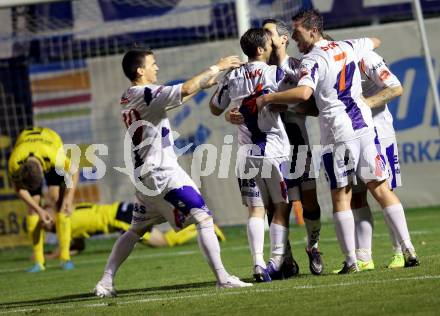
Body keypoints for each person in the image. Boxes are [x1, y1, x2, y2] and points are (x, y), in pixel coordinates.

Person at [256, 9, 419, 273]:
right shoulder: (349, 46)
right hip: (364, 126)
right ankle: (409, 248)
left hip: (337, 133)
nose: (296, 38)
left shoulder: (311, 60)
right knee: (380, 188)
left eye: (297, 32)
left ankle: (352, 261)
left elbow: (305, 91)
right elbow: (374, 41)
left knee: (340, 197)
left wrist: (269, 99)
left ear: (312, 30)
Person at [94, 48, 251, 298]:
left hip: (146, 177)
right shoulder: (145, 93)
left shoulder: (129, 95)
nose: (156, 68)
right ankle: (223, 278)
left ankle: (105, 281)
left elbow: (180, 96)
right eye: (152, 64)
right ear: (140, 70)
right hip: (162, 173)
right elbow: (184, 90)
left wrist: (202, 85)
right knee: (204, 219)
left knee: (135, 230)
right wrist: (216, 67)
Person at [209, 28, 293, 282]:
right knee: (280, 206)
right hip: (274, 150)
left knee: (256, 210)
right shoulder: (275, 72)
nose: (272, 48)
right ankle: (275, 260)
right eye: (269, 44)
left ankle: (257, 263)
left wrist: (229, 112)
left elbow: (214, 107)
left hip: (246, 153)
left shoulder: (232, 75)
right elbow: (300, 95)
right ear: (260, 49)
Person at [351, 49, 406, 270]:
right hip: (352, 136)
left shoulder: (366, 59)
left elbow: (396, 87)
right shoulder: (327, 66)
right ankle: (364, 259)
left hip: (379, 134)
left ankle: (400, 251)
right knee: (356, 195)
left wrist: (366, 103)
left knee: (385, 192)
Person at [37, 201, 226, 257]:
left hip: (122, 218)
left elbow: (63, 250)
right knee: (162, 238)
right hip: (122, 210)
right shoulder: (69, 213)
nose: (43, 224)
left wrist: (47, 256)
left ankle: (205, 226)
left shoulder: (64, 223)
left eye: (44, 219)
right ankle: (203, 225)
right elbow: (79, 245)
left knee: (163, 242)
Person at [8, 126, 78, 272]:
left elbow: (74, 171)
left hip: (50, 140)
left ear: (42, 169)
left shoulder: (54, 158)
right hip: (26, 143)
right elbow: (19, 189)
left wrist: (69, 199)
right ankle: (39, 262)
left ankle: (65, 258)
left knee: (57, 199)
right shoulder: (15, 163)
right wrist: (39, 210)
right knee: (32, 206)